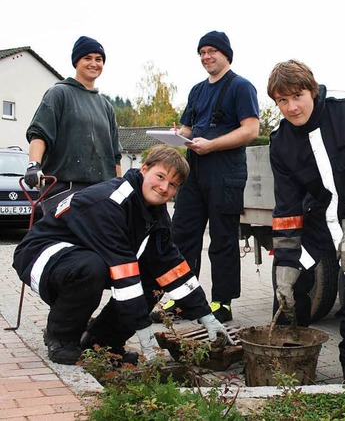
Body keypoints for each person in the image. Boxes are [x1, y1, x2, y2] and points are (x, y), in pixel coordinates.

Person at [13, 145, 229, 365]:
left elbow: (171, 265)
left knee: (154, 277)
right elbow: (122, 268)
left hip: (83, 256)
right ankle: (61, 337)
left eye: (172, 185)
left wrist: (206, 316)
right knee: (92, 268)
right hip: (41, 254)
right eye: (160, 177)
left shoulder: (156, 213)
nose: (164, 188)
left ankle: (103, 343)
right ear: (144, 169)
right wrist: (145, 333)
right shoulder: (110, 202)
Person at [266, 60, 345, 384]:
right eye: (282, 101)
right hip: (320, 220)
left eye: (297, 96)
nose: (291, 107)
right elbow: (287, 205)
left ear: (312, 88)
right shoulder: (280, 141)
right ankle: (286, 367)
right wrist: (285, 263)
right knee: (289, 285)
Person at [153, 30, 259, 324]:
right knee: (182, 233)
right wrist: (176, 135)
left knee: (223, 239)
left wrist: (211, 144)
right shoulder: (197, 90)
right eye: (201, 52)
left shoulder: (241, 87)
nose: (206, 57)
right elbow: (188, 128)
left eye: (212, 51)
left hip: (225, 172)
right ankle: (182, 296)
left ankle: (221, 303)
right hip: (194, 170)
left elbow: (250, 130)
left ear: (226, 54)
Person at [24, 36, 121, 213]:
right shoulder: (59, 93)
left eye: (99, 59)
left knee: (97, 240)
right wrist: (33, 166)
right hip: (63, 189)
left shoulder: (106, 106)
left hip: (101, 191)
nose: (94, 63)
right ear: (76, 62)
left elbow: (115, 155)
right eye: (87, 58)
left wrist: (119, 187)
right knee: (65, 239)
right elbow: (39, 134)